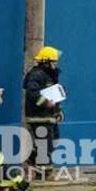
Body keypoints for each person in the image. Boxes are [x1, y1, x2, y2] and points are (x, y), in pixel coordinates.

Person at [24, 46, 65, 174]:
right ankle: (43, 172)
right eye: (53, 62)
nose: (55, 64)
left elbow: (54, 95)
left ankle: (32, 158)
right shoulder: (36, 75)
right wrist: (46, 102)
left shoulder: (50, 76)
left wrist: (58, 111)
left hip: (49, 117)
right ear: (46, 62)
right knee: (45, 145)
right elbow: (32, 93)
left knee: (53, 141)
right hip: (39, 117)